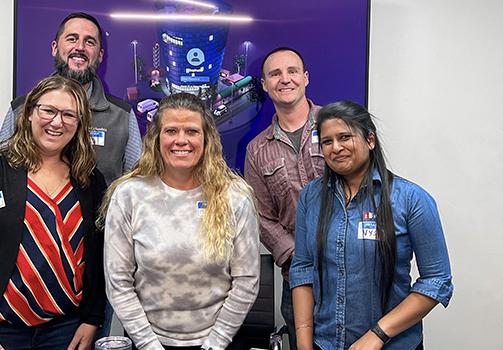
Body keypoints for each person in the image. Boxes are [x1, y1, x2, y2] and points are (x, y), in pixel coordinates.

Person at [0, 76, 107, 350]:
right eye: (48, 111)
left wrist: (93, 318)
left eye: (69, 115)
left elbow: (101, 253)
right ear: (30, 112)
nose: (57, 122)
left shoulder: (90, 181)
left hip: (65, 330)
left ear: (79, 124)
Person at [99, 93, 261, 350]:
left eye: (192, 131)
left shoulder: (235, 196)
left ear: (206, 138)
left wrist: (215, 344)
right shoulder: (129, 195)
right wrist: (148, 345)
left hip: (219, 342)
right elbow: (118, 281)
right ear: (156, 138)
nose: (181, 140)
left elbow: (247, 280)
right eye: (171, 130)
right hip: (149, 342)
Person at [290, 101, 453, 350]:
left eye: (345, 137)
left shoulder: (410, 199)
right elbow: (303, 270)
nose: (336, 147)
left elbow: (437, 280)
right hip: (325, 343)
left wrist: (377, 334)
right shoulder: (311, 197)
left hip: (391, 345)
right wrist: (303, 344)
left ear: (370, 140)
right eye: (327, 141)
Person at [0, 12, 142, 186]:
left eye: (89, 42)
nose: (80, 47)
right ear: (55, 48)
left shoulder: (122, 116)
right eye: (72, 39)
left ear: (100, 55)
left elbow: (136, 186)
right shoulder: (22, 108)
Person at [244, 47, 324, 350]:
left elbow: (369, 185)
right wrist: (294, 254)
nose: (284, 79)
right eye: (275, 74)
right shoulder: (257, 150)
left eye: (292, 71)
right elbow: (260, 216)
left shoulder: (338, 125)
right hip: (298, 278)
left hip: (353, 269)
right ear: (264, 85)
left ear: (305, 78)